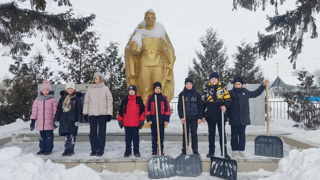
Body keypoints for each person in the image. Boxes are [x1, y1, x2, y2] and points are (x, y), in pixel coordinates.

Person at [125, 9, 175, 104]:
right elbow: (130, 48)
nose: (150, 19)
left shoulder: (160, 29)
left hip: (158, 63)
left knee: (157, 88)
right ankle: (145, 113)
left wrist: (171, 62)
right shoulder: (140, 30)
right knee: (145, 88)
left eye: (152, 18)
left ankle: (157, 111)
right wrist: (135, 44)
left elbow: (169, 48)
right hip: (144, 63)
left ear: (155, 19)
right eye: (148, 18)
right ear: (145, 18)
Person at [228, 77, 269, 158]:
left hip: (243, 117)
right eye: (235, 84)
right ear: (233, 85)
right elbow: (227, 105)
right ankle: (234, 150)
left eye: (239, 84)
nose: (237, 85)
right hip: (234, 117)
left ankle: (242, 150)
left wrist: (263, 86)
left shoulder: (245, 92)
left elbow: (255, 93)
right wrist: (227, 116)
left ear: (241, 85)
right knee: (234, 135)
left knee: (242, 135)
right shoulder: (230, 93)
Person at [202, 72, 231, 159]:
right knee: (211, 134)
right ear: (210, 80)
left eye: (215, 78)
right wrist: (202, 115)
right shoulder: (206, 89)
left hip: (220, 115)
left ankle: (224, 152)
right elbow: (203, 103)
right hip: (210, 115)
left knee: (222, 134)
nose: (213, 80)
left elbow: (229, 100)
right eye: (212, 79)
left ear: (218, 79)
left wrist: (225, 106)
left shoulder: (223, 89)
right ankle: (211, 152)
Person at [83, 72, 113, 157]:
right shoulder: (90, 89)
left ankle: (100, 150)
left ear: (102, 80)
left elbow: (109, 101)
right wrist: (85, 113)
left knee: (102, 132)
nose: (97, 80)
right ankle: (93, 149)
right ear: (94, 79)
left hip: (102, 114)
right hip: (92, 114)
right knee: (93, 132)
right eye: (96, 79)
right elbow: (86, 102)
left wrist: (109, 113)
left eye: (99, 79)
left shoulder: (106, 89)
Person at [54, 82, 83, 156]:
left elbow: (79, 110)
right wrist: (56, 119)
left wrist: (79, 120)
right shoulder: (62, 98)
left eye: (71, 88)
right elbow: (59, 109)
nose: (70, 90)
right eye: (68, 88)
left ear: (74, 89)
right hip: (64, 120)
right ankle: (66, 149)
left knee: (72, 136)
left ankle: (71, 150)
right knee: (66, 136)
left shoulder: (77, 99)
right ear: (66, 89)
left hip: (73, 120)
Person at [30, 80, 58, 155]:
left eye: (47, 90)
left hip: (49, 122)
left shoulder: (53, 100)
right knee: (42, 137)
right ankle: (42, 149)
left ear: (49, 90)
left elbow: (55, 111)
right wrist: (33, 121)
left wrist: (56, 120)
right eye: (44, 90)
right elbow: (34, 111)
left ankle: (48, 149)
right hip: (40, 123)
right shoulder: (37, 100)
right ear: (41, 91)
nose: (45, 91)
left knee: (49, 136)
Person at [118, 85, 145, 157]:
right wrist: (120, 120)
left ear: (135, 91)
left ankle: (136, 151)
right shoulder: (125, 100)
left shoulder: (139, 100)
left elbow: (142, 111)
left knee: (135, 138)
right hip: (127, 123)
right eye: (130, 90)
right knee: (128, 138)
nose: (131, 92)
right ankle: (127, 151)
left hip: (136, 123)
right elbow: (120, 111)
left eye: (133, 90)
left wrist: (141, 120)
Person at [177, 77, 203, 155]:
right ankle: (185, 149)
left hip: (194, 117)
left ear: (192, 84)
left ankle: (195, 149)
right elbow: (180, 106)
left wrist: (199, 117)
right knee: (185, 133)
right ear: (185, 85)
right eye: (187, 84)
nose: (188, 85)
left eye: (190, 84)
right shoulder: (182, 94)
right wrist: (181, 117)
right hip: (186, 117)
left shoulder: (197, 94)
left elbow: (200, 106)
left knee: (194, 133)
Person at [145, 82, 171, 155]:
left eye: (159, 88)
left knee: (161, 136)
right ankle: (154, 150)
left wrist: (166, 119)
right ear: (154, 89)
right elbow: (147, 109)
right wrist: (149, 119)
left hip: (161, 121)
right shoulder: (150, 98)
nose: (157, 90)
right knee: (154, 136)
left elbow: (167, 110)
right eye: (156, 88)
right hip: (153, 121)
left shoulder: (164, 98)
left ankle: (161, 149)